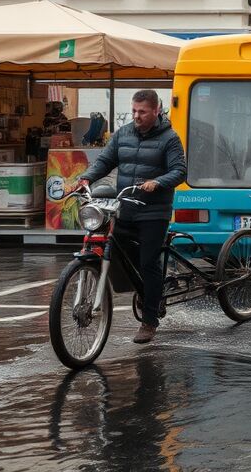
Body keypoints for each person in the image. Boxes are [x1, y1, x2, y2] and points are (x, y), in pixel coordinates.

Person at [76, 90, 187, 345]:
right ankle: (148, 292)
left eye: (143, 111)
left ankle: (149, 320)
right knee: (119, 255)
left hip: (153, 211)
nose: (136, 116)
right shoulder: (122, 134)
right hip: (125, 207)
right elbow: (105, 160)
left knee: (148, 263)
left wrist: (157, 182)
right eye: (134, 111)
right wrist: (86, 177)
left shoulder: (170, 138)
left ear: (156, 111)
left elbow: (179, 171)